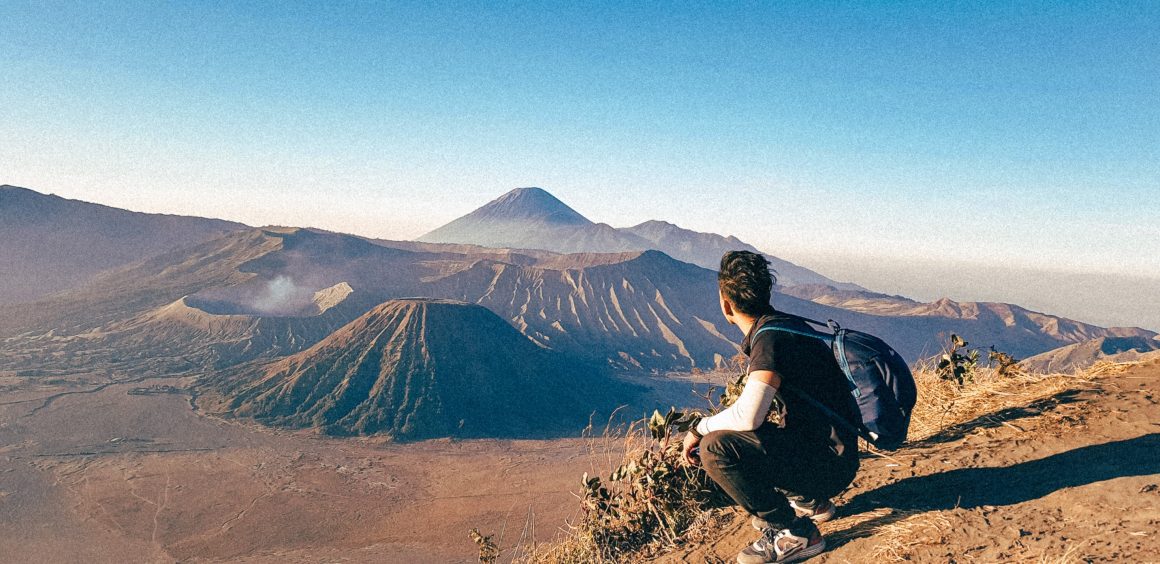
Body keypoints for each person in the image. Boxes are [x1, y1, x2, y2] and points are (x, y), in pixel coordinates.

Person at [682, 250, 860, 563]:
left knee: (714, 448)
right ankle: (809, 502)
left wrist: (698, 428)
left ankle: (793, 532)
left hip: (828, 465)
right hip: (836, 454)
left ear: (726, 304)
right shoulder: (785, 325)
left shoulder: (770, 341)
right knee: (752, 429)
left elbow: (748, 416)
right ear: (766, 293)